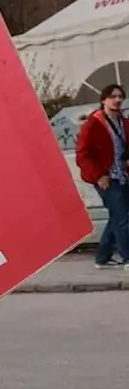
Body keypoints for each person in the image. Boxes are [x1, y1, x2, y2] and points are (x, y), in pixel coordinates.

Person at [76, 83, 129, 269]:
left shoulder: (123, 122)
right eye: (113, 96)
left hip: (122, 175)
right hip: (106, 178)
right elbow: (83, 154)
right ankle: (127, 257)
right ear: (103, 100)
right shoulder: (94, 123)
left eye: (120, 96)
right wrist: (99, 175)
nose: (117, 100)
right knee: (123, 218)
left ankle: (102, 258)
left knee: (117, 216)